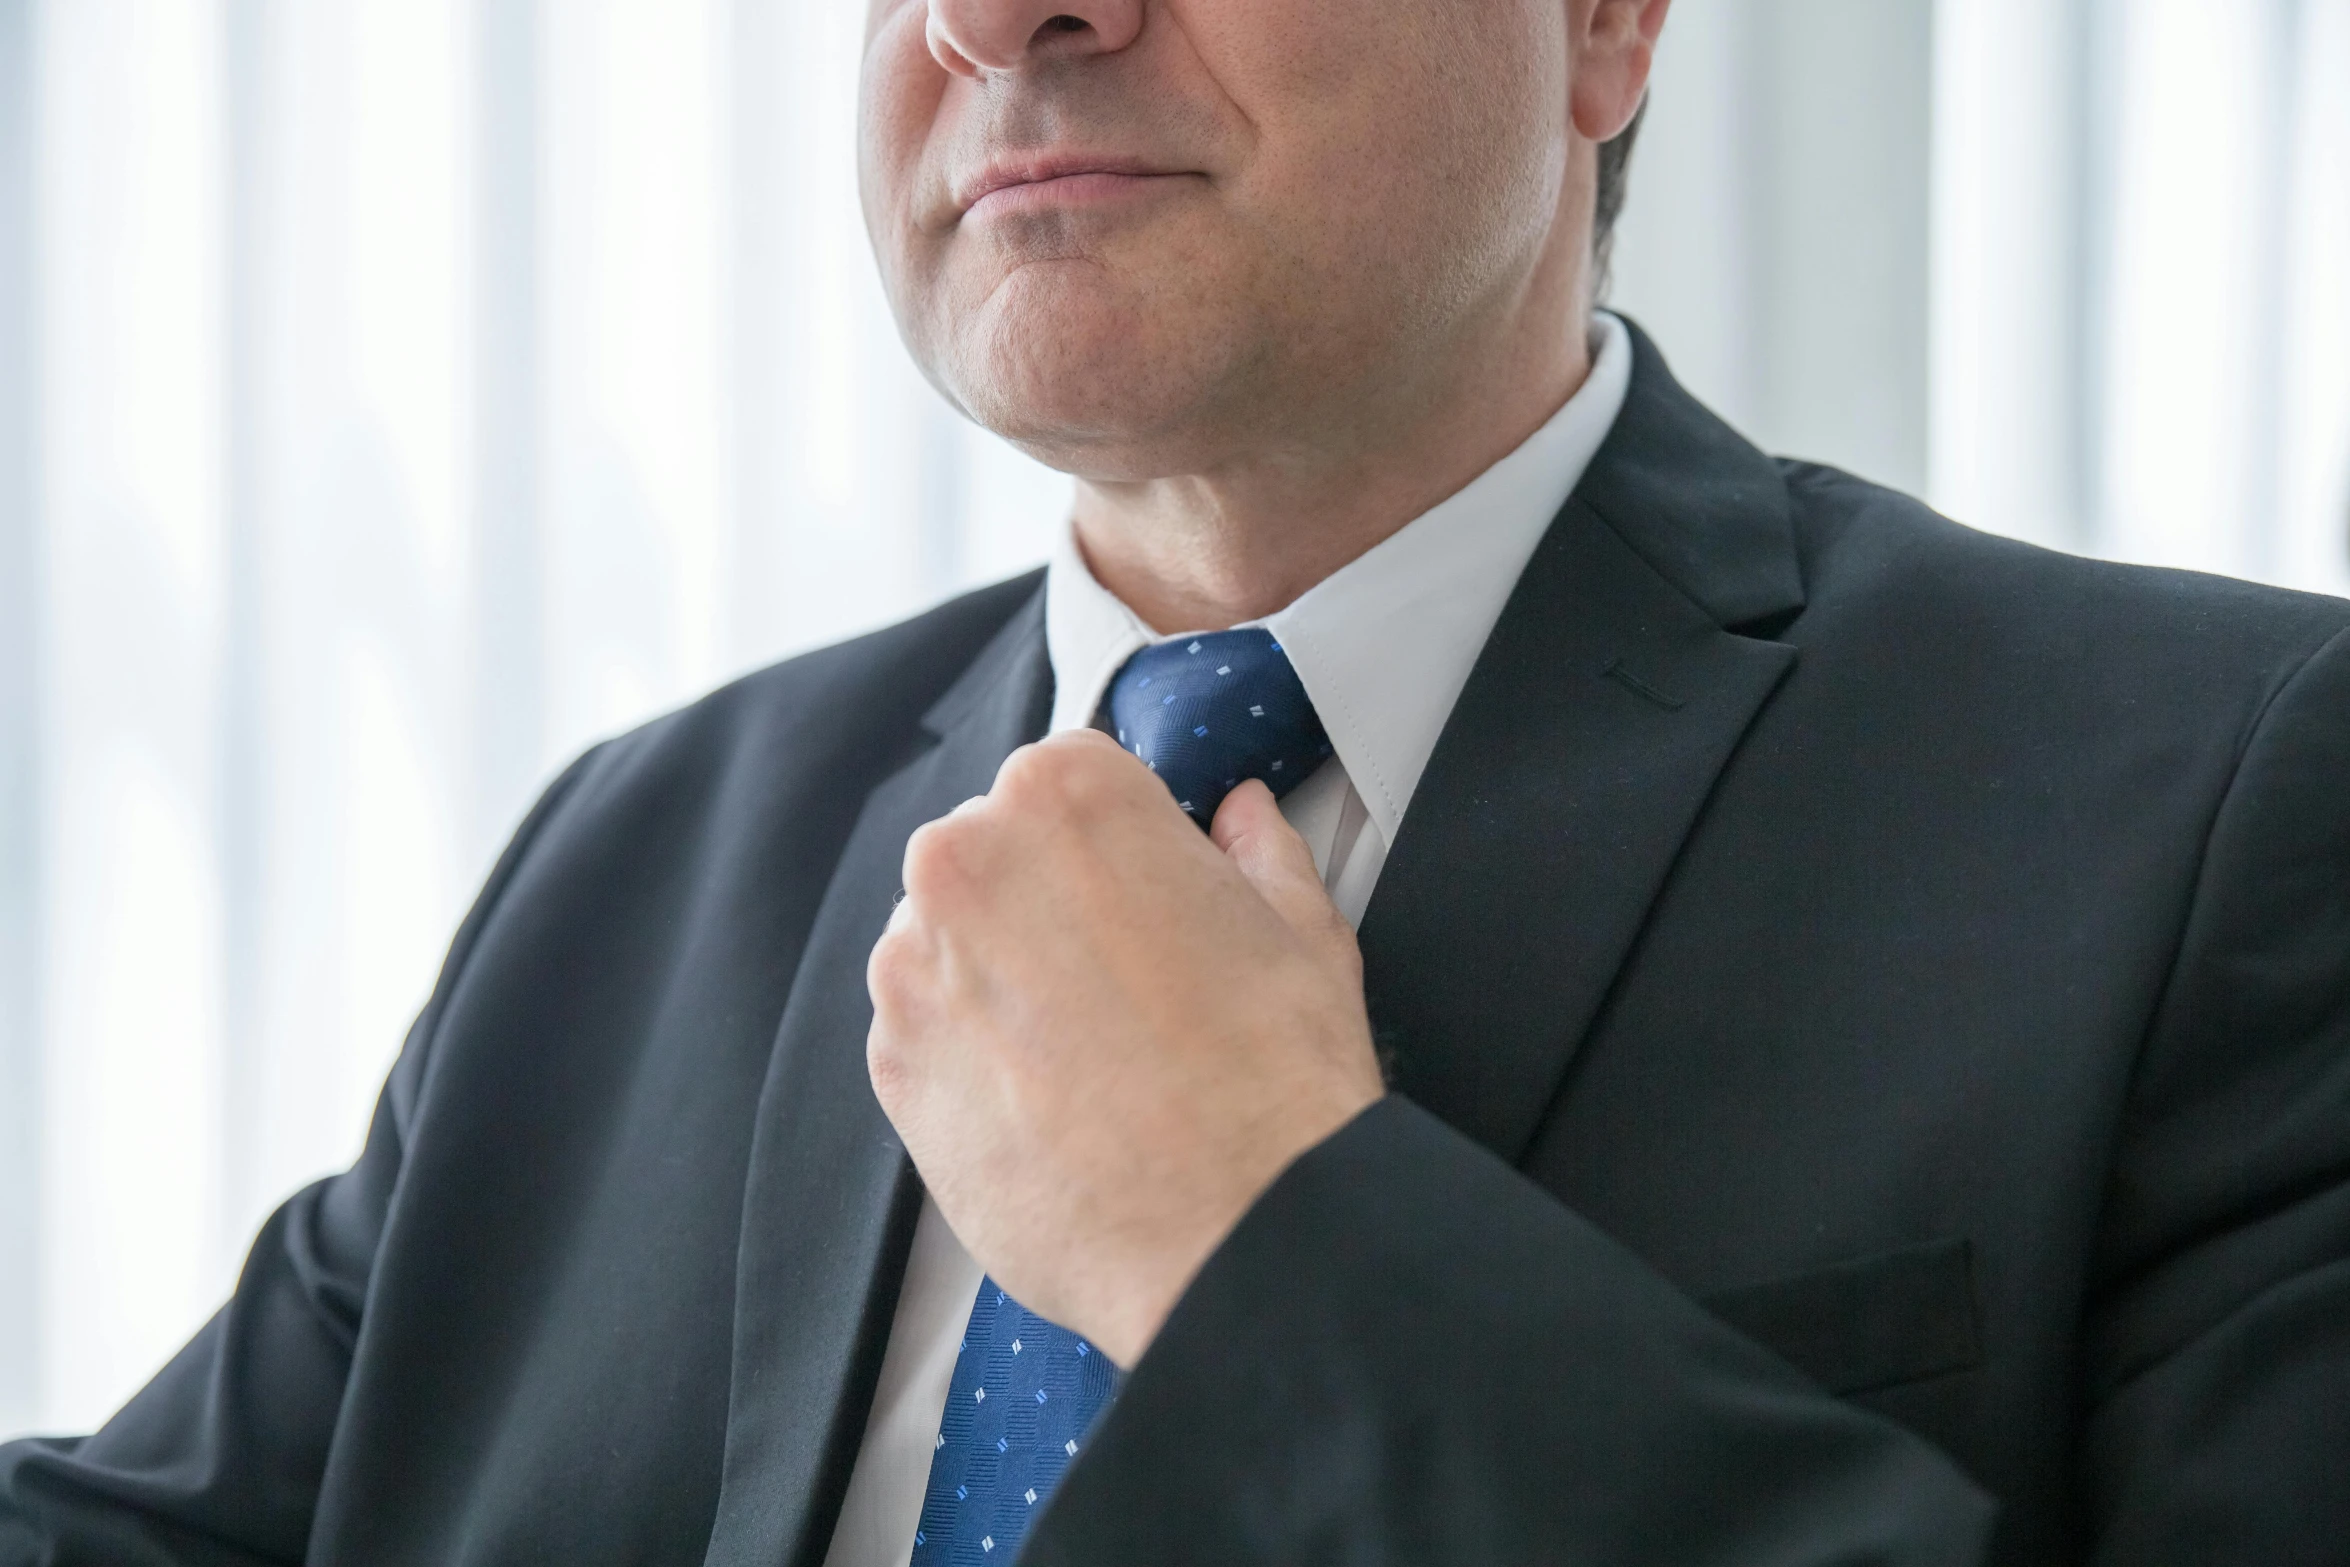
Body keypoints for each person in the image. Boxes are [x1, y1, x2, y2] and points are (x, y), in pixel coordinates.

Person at [6, 0, 2347, 1561]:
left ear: (1609, 22)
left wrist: (1254, 1235)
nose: (998, 12)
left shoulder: (2226, 806)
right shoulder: (635, 848)